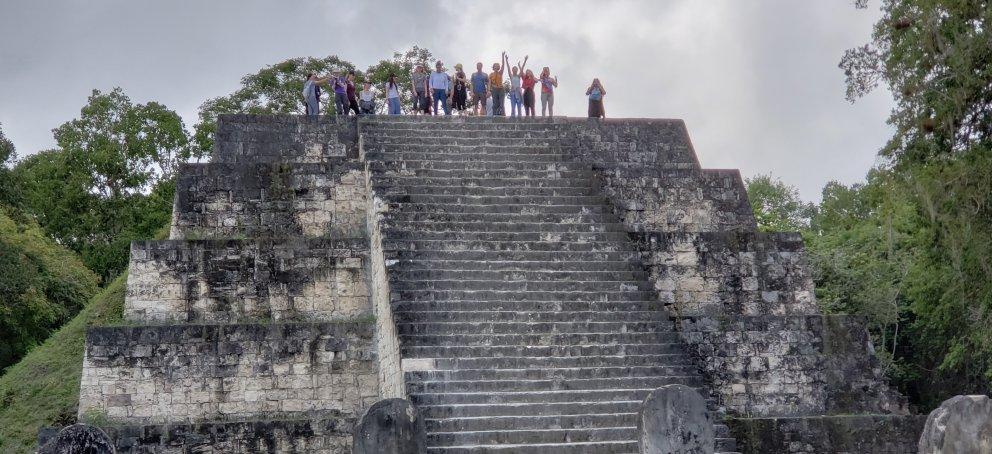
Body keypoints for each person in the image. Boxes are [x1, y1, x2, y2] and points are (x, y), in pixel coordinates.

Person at [489, 52, 508, 116]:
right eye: (495, 65)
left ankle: (503, 115)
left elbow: (503, 65)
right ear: (493, 67)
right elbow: (489, 83)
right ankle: (494, 115)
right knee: (495, 103)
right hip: (494, 89)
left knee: (501, 103)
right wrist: (489, 90)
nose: (497, 66)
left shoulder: (500, 72)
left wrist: (502, 56)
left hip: (501, 89)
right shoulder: (491, 74)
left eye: (498, 65)